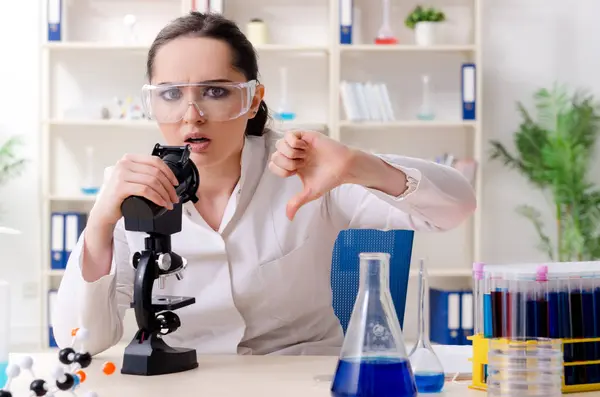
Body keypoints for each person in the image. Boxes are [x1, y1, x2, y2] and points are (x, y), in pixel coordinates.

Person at [52, 11, 477, 357]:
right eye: (170, 94)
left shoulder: (306, 168)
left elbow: (456, 207)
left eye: (216, 92)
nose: (191, 115)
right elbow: (80, 339)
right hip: (186, 381)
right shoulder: (131, 189)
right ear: (151, 100)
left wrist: (357, 165)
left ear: (252, 98)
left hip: (300, 379)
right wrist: (100, 225)